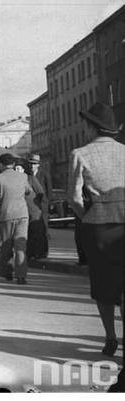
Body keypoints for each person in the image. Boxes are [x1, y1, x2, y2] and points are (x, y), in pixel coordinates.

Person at [67, 102, 125, 358]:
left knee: (103, 285)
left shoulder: (80, 154)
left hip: (99, 227)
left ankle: (110, 337)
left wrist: (88, 214)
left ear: (92, 127)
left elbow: (73, 197)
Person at [0, 152, 34, 285]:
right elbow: (28, 191)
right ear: (13, 164)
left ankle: (7, 272)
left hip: (6, 216)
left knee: (7, 244)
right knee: (21, 245)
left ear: (1, 164)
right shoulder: (23, 176)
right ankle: (21, 276)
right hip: (22, 214)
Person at [26, 154, 50, 260]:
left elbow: (48, 191)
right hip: (32, 207)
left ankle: (43, 252)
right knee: (33, 230)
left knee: (43, 229)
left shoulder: (44, 174)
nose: (32, 166)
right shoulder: (27, 176)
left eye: (34, 164)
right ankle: (33, 251)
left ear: (38, 165)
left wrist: (45, 204)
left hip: (42, 206)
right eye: (31, 164)